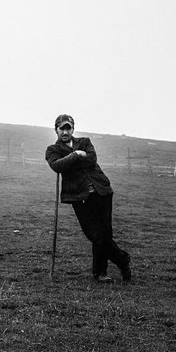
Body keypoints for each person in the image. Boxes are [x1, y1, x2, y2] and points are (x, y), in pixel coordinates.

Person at [45, 114, 132, 283]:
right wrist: (76, 155)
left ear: (73, 129)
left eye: (68, 128)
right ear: (56, 129)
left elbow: (91, 160)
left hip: (102, 191)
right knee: (95, 235)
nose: (65, 131)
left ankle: (100, 273)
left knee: (105, 234)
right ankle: (122, 260)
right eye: (61, 128)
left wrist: (71, 160)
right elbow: (57, 166)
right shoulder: (52, 150)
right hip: (79, 197)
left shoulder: (85, 142)